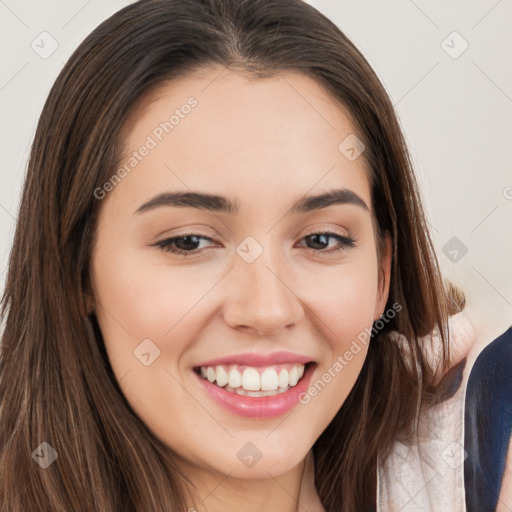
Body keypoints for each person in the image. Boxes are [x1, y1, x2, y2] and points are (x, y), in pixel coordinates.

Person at [0, 1, 510, 510]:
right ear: (74, 273)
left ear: (381, 274)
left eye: (321, 240)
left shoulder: (482, 446)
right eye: (189, 242)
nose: (268, 310)